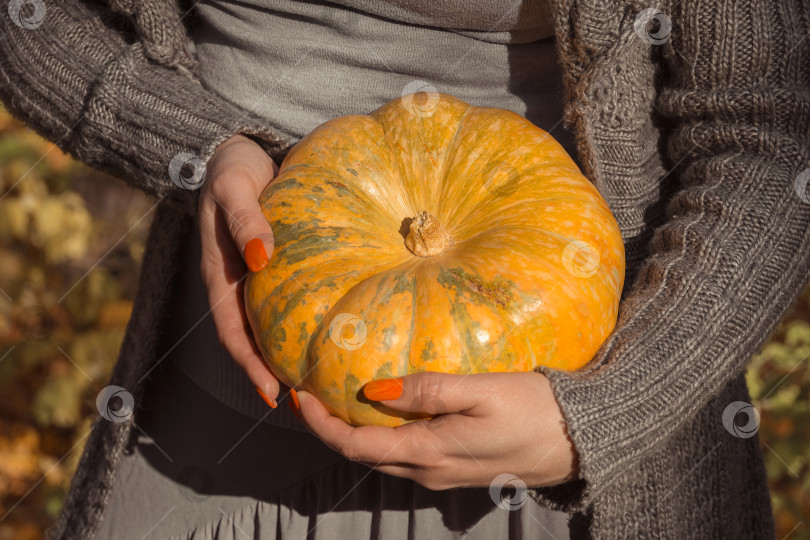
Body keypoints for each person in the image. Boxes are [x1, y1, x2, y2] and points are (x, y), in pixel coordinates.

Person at [1, 0, 808, 538]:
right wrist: (196, 145)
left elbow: (769, 134)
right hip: (207, 432)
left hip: (558, 452)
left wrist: (607, 414)